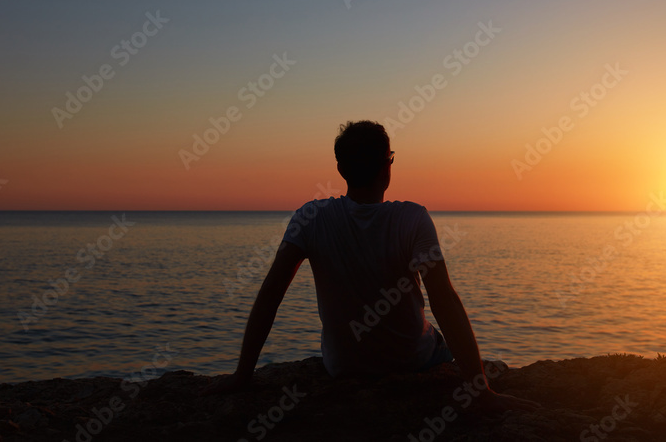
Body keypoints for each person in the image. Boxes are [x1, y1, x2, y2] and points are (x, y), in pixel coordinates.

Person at [201, 120, 538, 412]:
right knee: (438, 340)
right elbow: (444, 300)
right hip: (413, 362)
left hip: (343, 367)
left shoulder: (310, 217)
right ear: (386, 165)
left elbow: (271, 293)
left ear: (341, 169)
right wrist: (482, 391)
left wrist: (243, 375)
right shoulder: (412, 218)